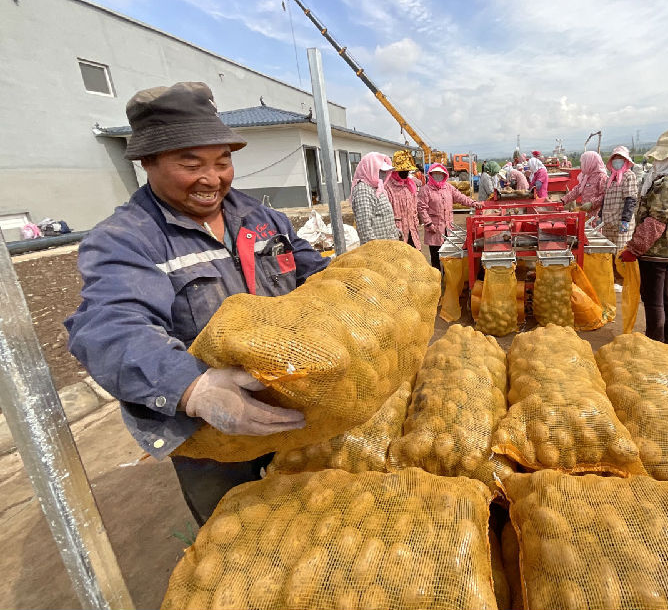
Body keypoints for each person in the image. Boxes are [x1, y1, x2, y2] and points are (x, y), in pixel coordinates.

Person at [64, 82, 327, 525]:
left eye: (222, 162)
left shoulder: (260, 218)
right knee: (238, 537)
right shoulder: (126, 240)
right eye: (191, 164)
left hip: (292, 402)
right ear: (147, 162)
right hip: (211, 429)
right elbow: (110, 327)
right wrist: (194, 389)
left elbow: (310, 269)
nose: (212, 179)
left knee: (310, 516)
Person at [620, 127, 668, 343]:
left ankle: (655, 342)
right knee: (665, 296)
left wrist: (634, 249)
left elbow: (655, 222)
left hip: (655, 250)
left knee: (653, 299)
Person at [417, 163, 477, 268]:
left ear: (445, 175)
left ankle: (448, 277)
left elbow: (460, 197)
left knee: (449, 255)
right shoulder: (426, 190)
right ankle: (438, 278)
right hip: (434, 228)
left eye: (440, 174)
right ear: (430, 175)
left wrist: (473, 203)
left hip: (448, 227)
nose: (438, 176)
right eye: (435, 174)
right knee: (436, 256)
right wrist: (428, 223)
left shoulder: (448, 187)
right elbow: (422, 208)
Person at [350, 152, 399, 244]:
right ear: (370, 169)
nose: (384, 175)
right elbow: (364, 226)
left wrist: (395, 232)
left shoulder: (378, 188)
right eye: (381, 171)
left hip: (388, 244)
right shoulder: (363, 190)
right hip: (378, 250)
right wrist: (374, 249)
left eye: (385, 172)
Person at [600, 145, 640, 249]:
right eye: (615, 159)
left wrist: (625, 220)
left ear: (625, 161)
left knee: (619, 252)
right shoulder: (611, 178)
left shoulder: (629, 176)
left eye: (620, 159)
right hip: (608, 223)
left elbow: (630, 198)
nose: (617, 162)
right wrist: (600, 216)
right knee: (608, 252)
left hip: (620, 223)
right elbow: (606, 199)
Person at [384, 150, 420, 247]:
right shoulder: (387, 187)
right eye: (402, 171)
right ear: (395, 171)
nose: (405, 173)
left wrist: (416, 220)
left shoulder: (410, 185)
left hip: (412, 230)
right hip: (398, 232)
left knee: (415, 257)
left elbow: (414, 206)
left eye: (407, 171)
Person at [562, 151, 608, 220]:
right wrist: (564, 200)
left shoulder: (602, 177)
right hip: (585, 213)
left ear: (590, 163)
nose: (582, 165)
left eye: (584, 162)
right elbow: (577, 190)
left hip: (596, 215)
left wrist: (592, 203)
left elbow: (604, 196)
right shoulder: (586, 176)